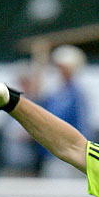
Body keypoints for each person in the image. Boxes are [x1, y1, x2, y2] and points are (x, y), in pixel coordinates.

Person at [37, 45, 94, 178]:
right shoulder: (56, 92)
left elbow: (83, 126)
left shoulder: (77, 94)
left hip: (68, 156)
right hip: (53, 154)